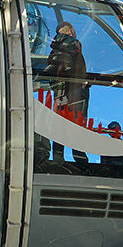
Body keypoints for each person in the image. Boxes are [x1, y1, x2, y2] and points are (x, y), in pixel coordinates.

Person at [43, 21, 89, 163]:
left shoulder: (56, 49)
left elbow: (54, 68)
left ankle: (58, 157)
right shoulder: (73, 45)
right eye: (68, 30)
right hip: (74, 90)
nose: (71, 33)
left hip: (62, 91)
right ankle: (80, 158)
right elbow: (71, 68)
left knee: (61, 125)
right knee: (77, 123)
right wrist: (82, 82)